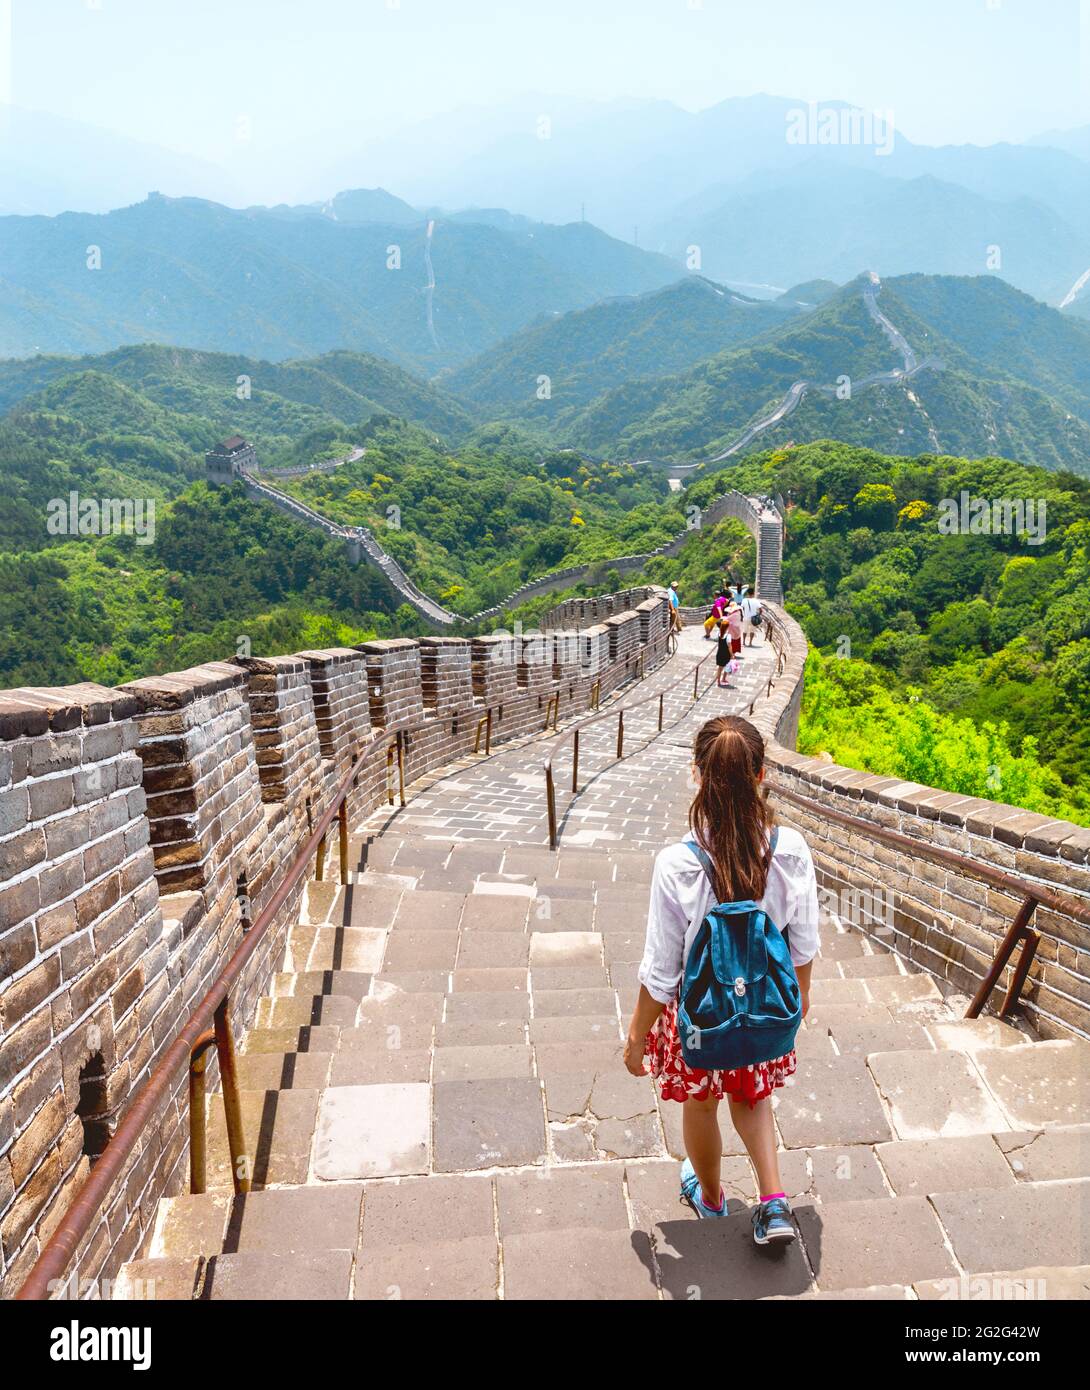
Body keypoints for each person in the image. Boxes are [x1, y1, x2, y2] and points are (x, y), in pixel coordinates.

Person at [624, 715, 819, 1244]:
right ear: (761, 776)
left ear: (697, 776)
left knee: (702, 1103)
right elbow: (802, 948)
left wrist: (637, 1037)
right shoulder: (791, 849)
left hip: (699, 1017)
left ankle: (710, 1200)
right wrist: (795, 1009)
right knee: (753, 1099)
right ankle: (775, 1204)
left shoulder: (677, 864)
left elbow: (662, 973)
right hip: (766, 1007)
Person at [714, 618, 733, 687]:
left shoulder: (718, 633)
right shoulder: (728, 636)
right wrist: (732, 654)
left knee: (720, 668)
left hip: (719, 652)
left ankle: (718, 681)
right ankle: (723, 679)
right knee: (727, 666)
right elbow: (729, 646)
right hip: (726, 653)